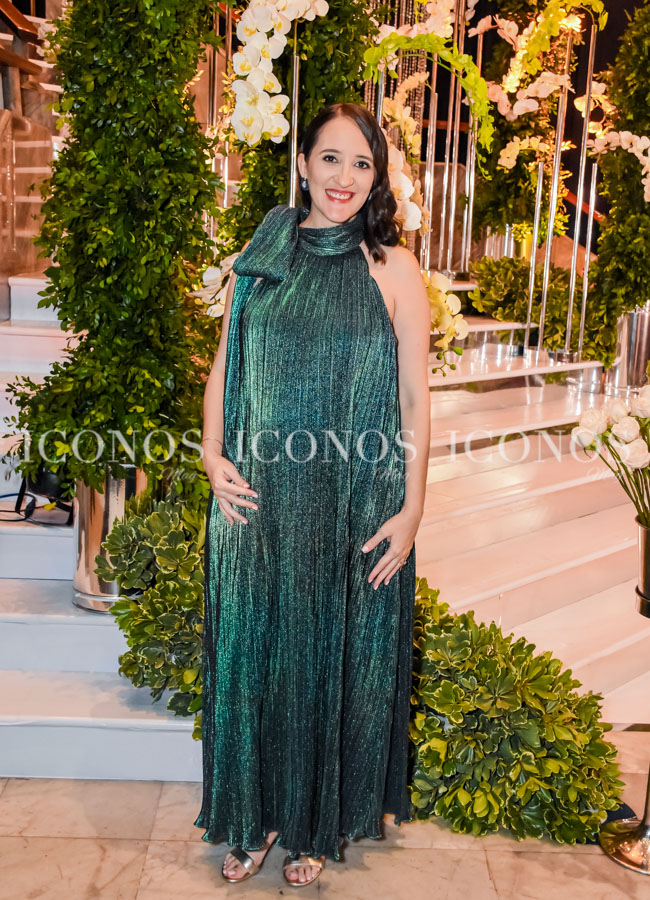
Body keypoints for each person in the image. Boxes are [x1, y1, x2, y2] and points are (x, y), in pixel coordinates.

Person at [194, 100, 431, 887]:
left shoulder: (393, 268)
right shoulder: (263, 250)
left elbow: (414, 398)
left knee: (331, 665)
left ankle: (312, 826)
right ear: (302, 164)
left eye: (362, 163)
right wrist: (211, 454)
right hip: (257, 502)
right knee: (255, 663)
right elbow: (225, 363)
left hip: (354, 503)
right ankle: (257, 817)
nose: (345, 178)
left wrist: (413, 507)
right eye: (331, 158)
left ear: (378, 177)